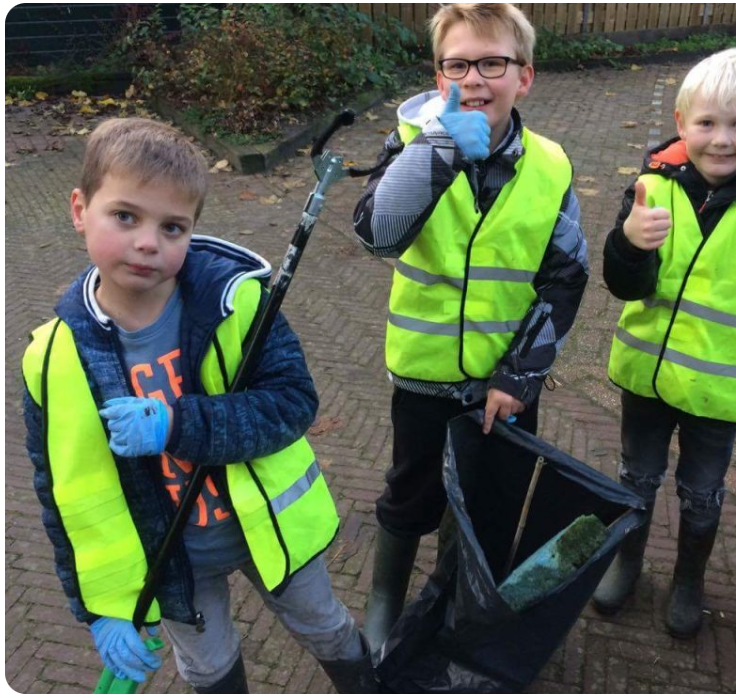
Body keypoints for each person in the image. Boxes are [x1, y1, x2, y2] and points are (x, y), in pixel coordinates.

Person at [22, 118, 376, 693]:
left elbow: (291, 403)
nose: (147, 242)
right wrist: (98, 606)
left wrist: (175, 422)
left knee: (326, 628)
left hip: (271, 533)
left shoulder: (237, 305)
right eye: (125, 216)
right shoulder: (53, 359)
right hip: (173, 562)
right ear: (79, 209)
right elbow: (61, 494)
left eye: (172, 226)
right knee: (207, 670)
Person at [353, 3, 589, 651]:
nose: (475, 79)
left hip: (505, 386)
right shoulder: (410, 146)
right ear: (438, 78)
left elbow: (563, 277)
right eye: (457, 64)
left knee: (486, 509)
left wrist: (519, 375)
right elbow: (376, 233)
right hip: (424, 379)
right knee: (408, 497)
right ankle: (383, 604)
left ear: (525, 77)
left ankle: (457, 603)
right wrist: (438, 148)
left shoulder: (549, 164)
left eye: (492, 63)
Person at [596, 48, 736, 638]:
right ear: (681, 122)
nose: (721, 140)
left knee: (701, 493)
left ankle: (689, 580)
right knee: (635, 479)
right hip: (646, 380)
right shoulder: (651, 186)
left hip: (723, 392)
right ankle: (627, 559)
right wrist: (629, 242)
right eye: (706, 123)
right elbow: (624, 285)